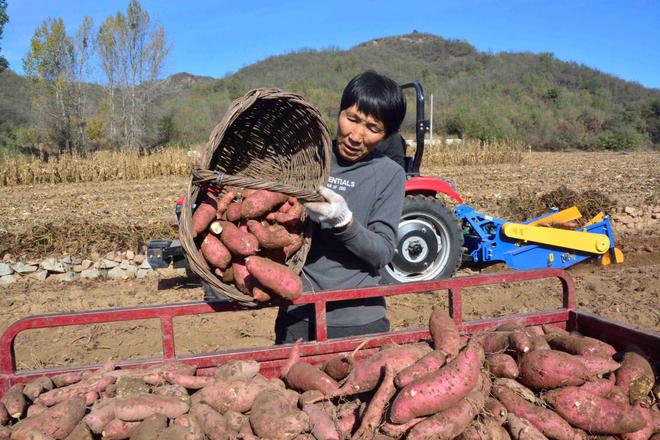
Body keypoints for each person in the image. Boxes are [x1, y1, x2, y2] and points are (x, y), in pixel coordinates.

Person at [274, 71, 406, 343]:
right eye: (352, 119)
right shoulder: (308, 159)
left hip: (355, 317)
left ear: (387, 135)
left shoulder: (389, 174)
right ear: (339, 112)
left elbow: (382, 252)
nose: (356, 136)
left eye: (372, 128)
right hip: (298, 308)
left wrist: (343, 221)